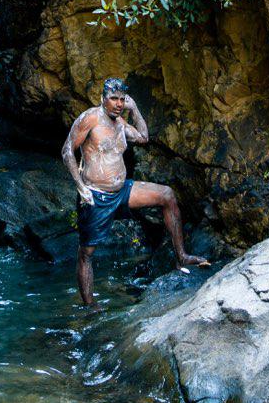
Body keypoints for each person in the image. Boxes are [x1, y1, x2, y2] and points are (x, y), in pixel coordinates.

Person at [62, 77, 209, 307]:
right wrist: (81, 188)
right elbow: (67, 151)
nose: (118, 103)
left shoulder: (120, 123)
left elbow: (143, 137)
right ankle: (90, 305)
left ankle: (182, 257)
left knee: (167, 195)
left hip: (122, 191)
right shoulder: (90, 118)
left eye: (122, 99)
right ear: (103, 99)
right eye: (114, 99)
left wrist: (136, 108)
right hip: (97, 195)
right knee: (86, 253)